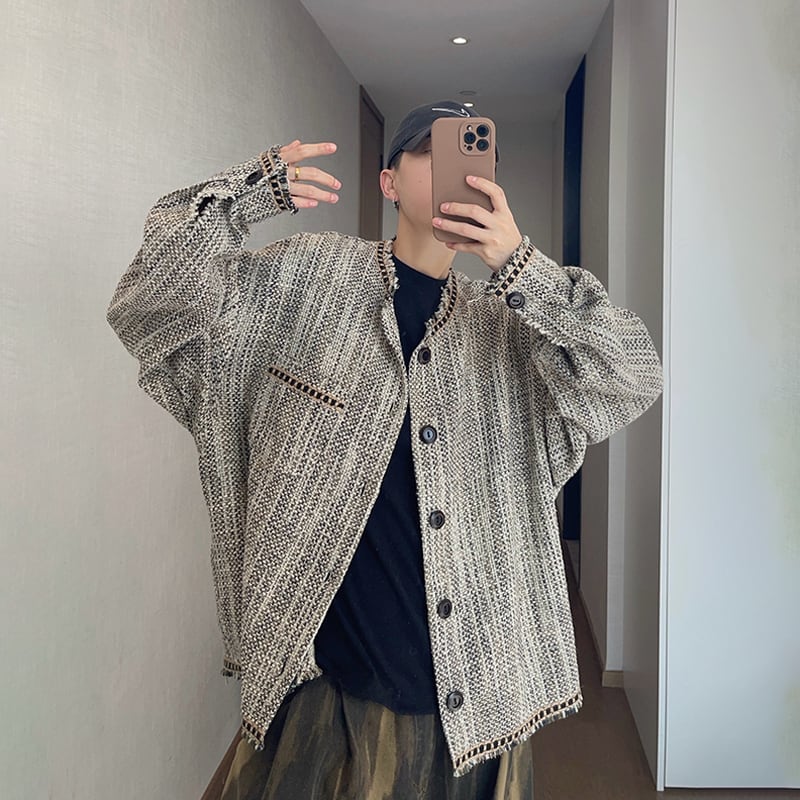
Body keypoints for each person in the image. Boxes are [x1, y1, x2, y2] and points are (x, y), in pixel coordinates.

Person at [106, 100, 663, 799]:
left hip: (477, 699)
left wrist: (525, 269)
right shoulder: (307, 280)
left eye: (475, 155)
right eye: (430, 150)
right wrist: (245, 196)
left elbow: (631, 377)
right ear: (389, 182)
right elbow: (151, 306)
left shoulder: (513, 329)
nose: (457, 169)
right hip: (322, 686)